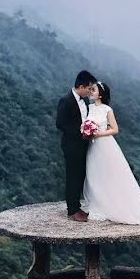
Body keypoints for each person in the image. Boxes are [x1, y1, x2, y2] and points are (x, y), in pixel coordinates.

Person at [82, 81, 140, 225]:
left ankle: (114, 205)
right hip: (92, 146)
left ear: (101, 94)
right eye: (90, 90)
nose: (91, 92)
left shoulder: (107, 109)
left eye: (94, 90)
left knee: (109, 174)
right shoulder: (89, 107)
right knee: (94, 174)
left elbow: (115, 129)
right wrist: (86, 131)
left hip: (104, 145)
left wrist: (98, 133)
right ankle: (98, 205)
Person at [56, 70, 97, 221]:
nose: (90, 91)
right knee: (72, 176)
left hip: (83, 145)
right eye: (89, 88)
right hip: (71, 145)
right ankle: (72, 210)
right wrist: (81, 131)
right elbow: (60, 124)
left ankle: (77, 206)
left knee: (80, 175)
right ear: (81, 86)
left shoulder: (85, 101)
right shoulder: (66, 101)